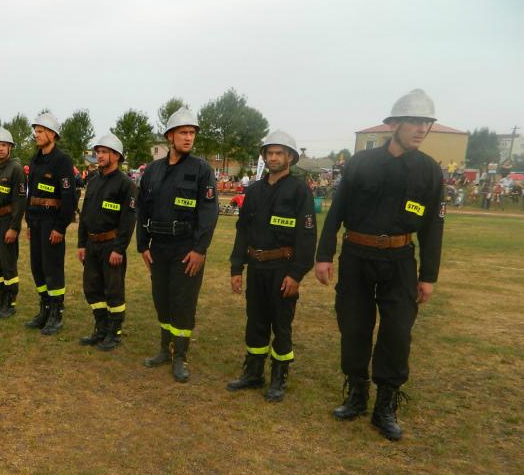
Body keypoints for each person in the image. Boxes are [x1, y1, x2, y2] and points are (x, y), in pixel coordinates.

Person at [314, 89, 445, 441]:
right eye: (414, 121)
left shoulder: (430, 171)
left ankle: (385, 404)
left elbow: (433, 226)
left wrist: (428, 275)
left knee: (397, 331)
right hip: (356, 256)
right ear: (394, 124)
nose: (421, 129)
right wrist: (324, 255)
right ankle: (356, 394)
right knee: (354, 325)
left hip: (400, 261)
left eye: (426, 123)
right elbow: (337, 211)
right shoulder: (361, 163)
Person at [226, 131, 316, 402]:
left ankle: (279, 376)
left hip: (283, 269)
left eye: (279, 153)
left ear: (290, 157)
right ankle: (253, 372)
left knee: (281, 324)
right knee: (255, 321)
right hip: (256, 268)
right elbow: (243, 231)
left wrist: (296, 274)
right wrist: (236, 268)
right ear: (264, 157)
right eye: (270, 153)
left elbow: (307, 237)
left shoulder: (299, 190)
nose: (273, 157)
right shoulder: (253, 191)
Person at [136, 107, 218, 382]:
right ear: (170, 136)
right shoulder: (153, 171)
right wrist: (142, 245)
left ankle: (180, 355)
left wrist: (199, 250)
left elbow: (209, 212)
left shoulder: (201, 170)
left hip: (186, 248)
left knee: (183, 301)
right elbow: (142, 210)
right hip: (158, 247)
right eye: (183, 132)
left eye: (192, 133)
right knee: (162, 298)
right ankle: (165, 348)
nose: (188, 137)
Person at [77, 133, 137, 351]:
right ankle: (101, 328)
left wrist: (119, 249)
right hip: (92, 245)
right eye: (98, 152)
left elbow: (128, 220)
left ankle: (115, 332)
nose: (99, 156)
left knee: (114, 290)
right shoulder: (93, 182)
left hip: (112, 246)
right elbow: (85, 215)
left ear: (116, 156)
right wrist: (81, 244)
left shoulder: (126, 185)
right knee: (92, 288)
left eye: (104, 152)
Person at [23, 112, 77, 335]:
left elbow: (69, 197)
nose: (36, 135)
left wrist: (59, 227)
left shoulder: (62, 161)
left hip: (51, 222)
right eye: (36, 131)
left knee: (52, 268)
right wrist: (28, 221)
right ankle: (44, 309)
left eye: (41, 131)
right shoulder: (35, 160)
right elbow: (30, 193)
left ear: (52, 135)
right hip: (36, 222)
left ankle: (56, 313)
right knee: (37, 267)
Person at [0, 127, 27, 318]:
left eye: (4, 145)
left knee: (8, 263)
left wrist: (14, 228)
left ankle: (10, 303)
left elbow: (19, 201)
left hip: (7, 222)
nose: (1, 148)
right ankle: (1, 299)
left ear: (10, 147)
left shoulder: (16, 169)